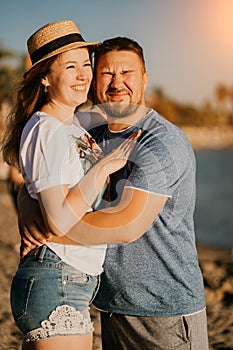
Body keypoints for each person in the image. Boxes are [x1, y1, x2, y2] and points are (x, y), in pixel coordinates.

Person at [17, 37, 209, 349]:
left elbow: (126, 225)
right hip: (107, 303)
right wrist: (27, 209)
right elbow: (36, 177)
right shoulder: (85, 132)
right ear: (95, 81)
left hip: (162, 312)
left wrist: (50, 233)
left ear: (145, 79)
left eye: (127, 73)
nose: (117, 83)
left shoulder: (161, 144)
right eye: (106, 73)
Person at [1, 21, 143, 350]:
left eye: (85, 65)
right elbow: (59, 220)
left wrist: (25, 200)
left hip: (71, 277)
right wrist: (105, 167)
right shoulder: (46, 128)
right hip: (58, 275)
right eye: (70, 67)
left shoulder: (72, 126)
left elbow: (39, 186)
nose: (83, 75)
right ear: (45, 79)